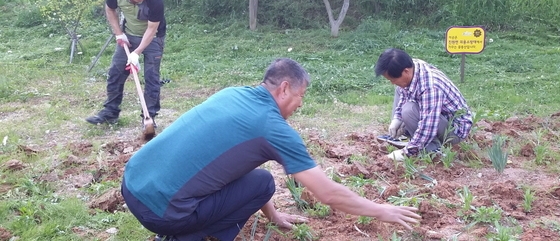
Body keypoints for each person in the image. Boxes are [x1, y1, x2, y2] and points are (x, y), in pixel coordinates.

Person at [121, 58, 421, 241]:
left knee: (258, 181)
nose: (301, 104)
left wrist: (274, 216)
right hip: (161, 213)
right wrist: (381, 210)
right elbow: (327, 193)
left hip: (132, 182)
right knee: (263, 182)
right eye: (301, 95)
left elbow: (236, 164)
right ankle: (186, 237)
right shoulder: (273, 128)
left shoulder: (232, 93)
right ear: (285, 88)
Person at [86, 0, 166, 127]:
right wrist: (119, 33)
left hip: (153, 39)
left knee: (152, 77)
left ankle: (148, 118)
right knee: (116, 72)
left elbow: (151, 30)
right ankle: (110, 113)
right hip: (128, 35)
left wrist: (136, 53)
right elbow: (110, 9)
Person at [375, 48, 473, 159]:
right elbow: (404, 94)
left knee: (409, 110)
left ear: (406, 71)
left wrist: (407, 153)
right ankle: (404, 135)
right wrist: (396, 119)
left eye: (392, 79)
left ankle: (433, 150)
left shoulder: (431, 86)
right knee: (400, 89)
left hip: (454, 130)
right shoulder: (412, 67)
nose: (392, 82)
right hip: (439, 118)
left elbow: (428, 125)